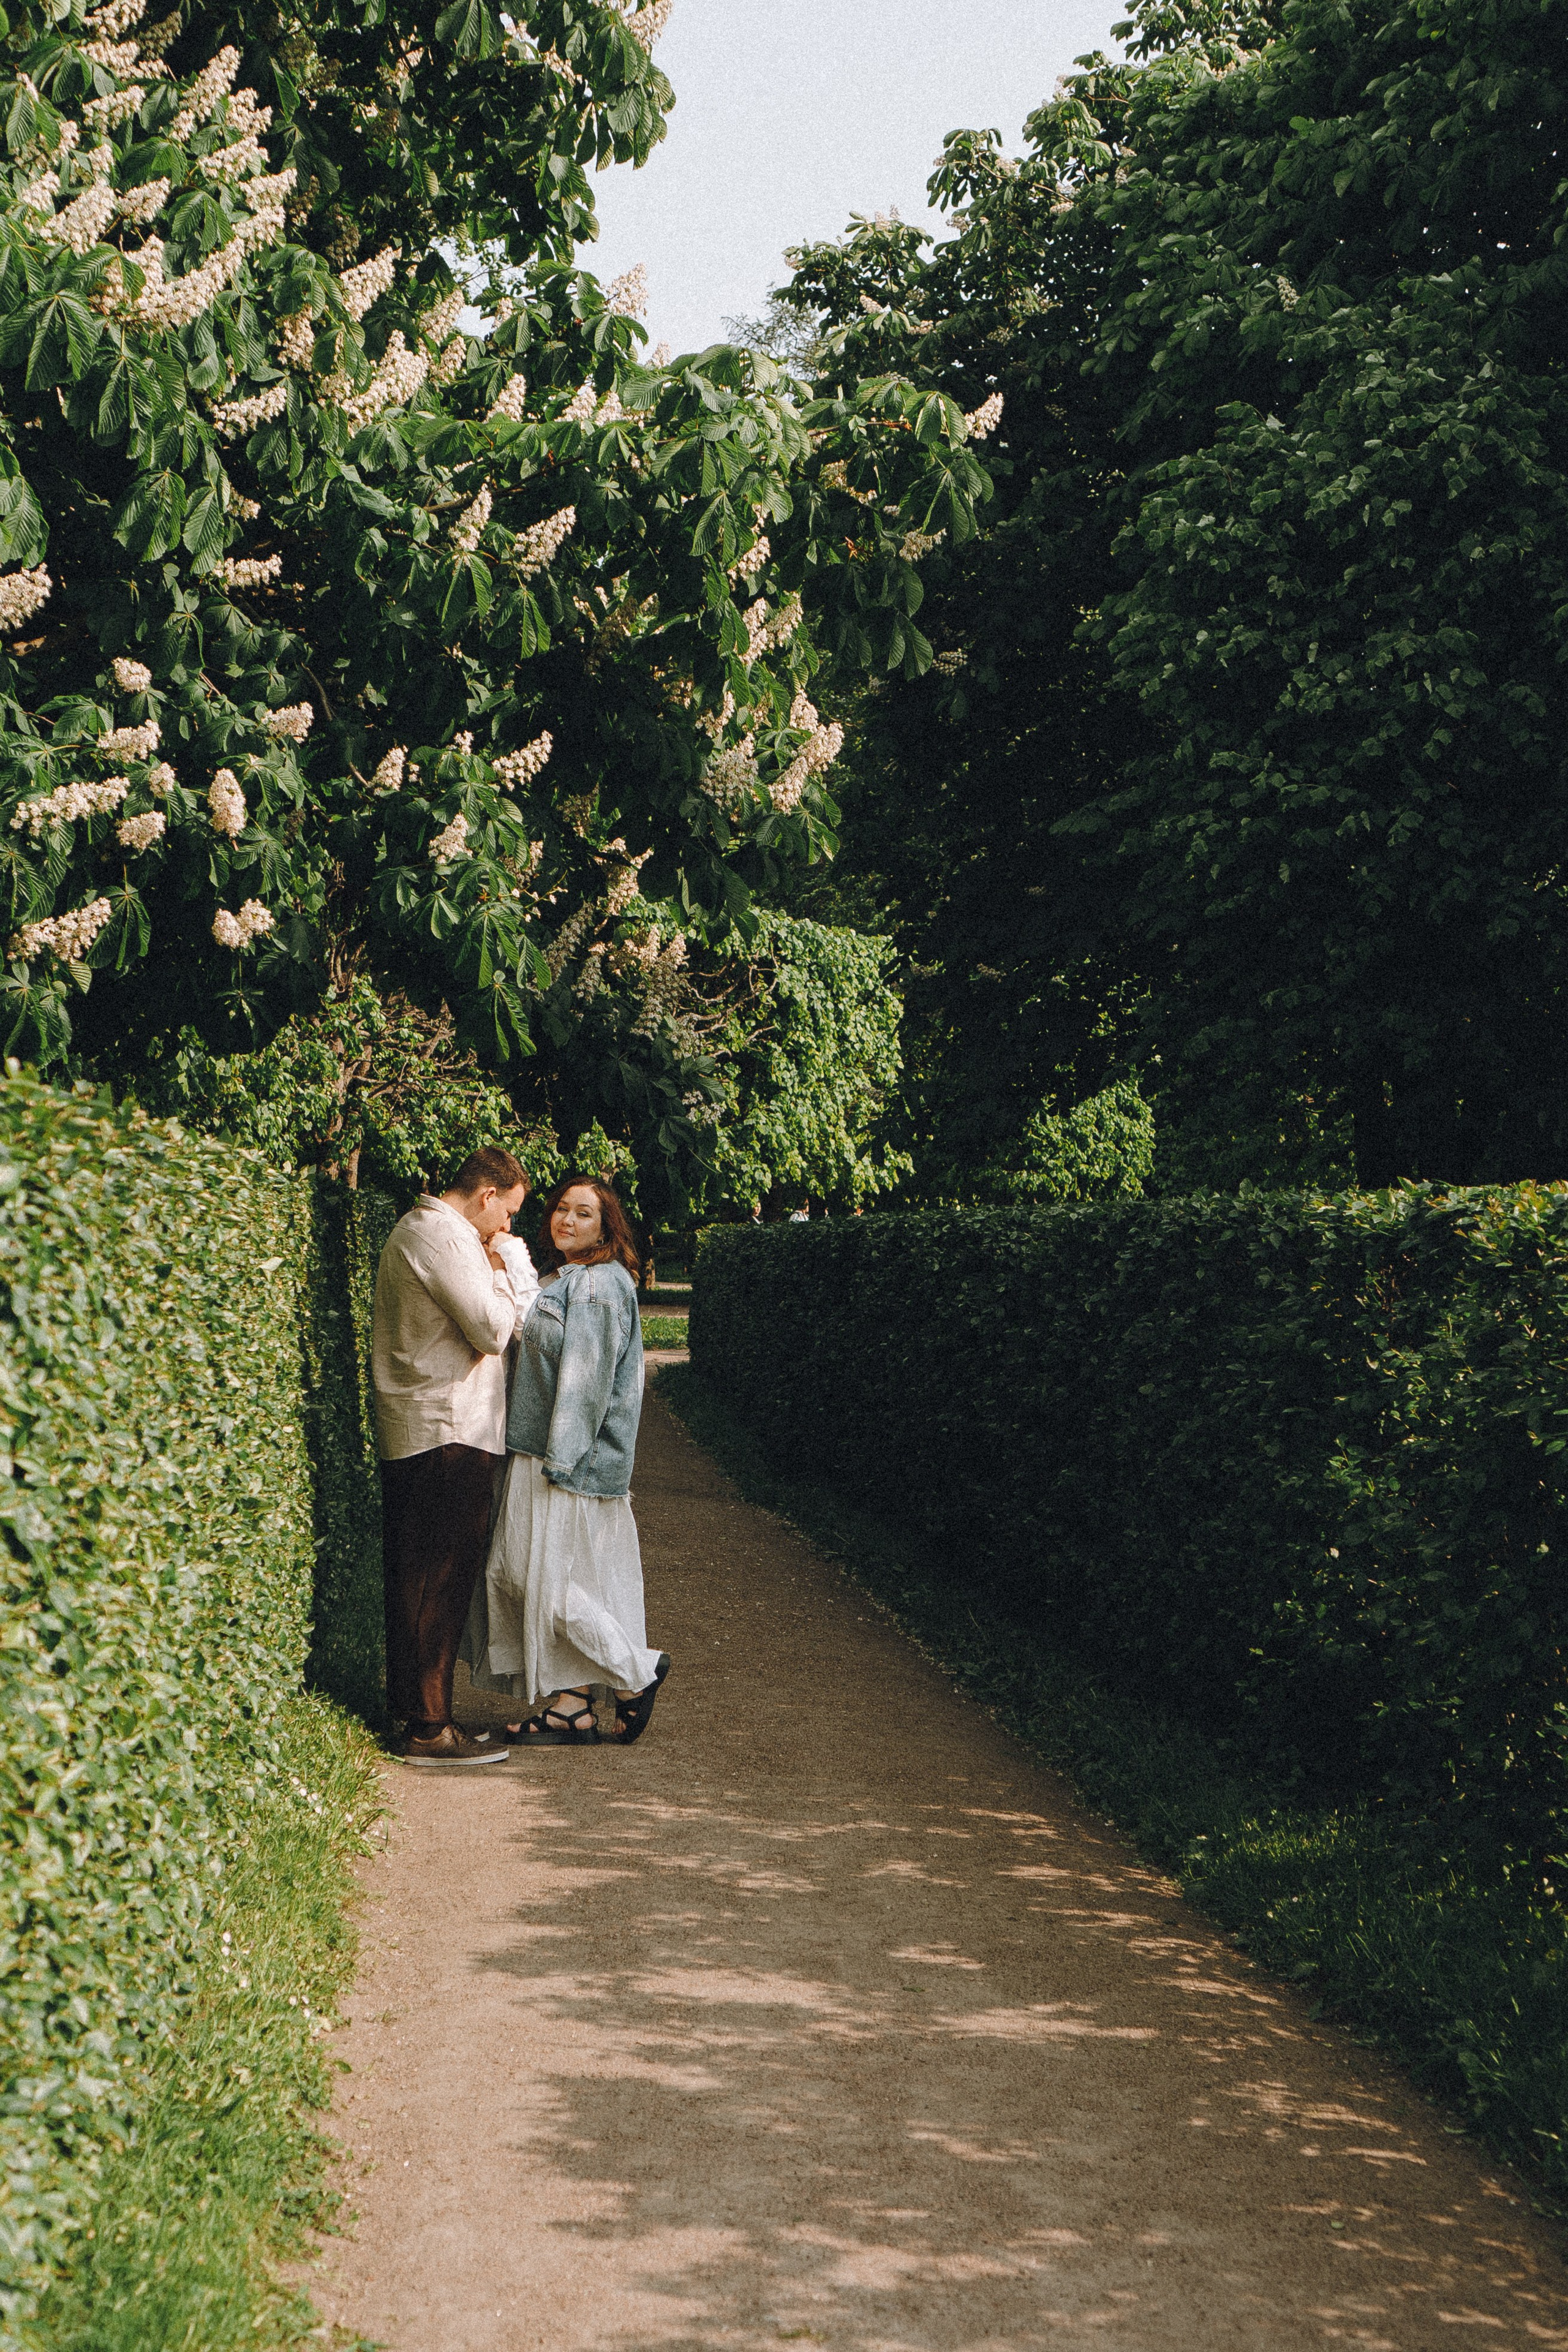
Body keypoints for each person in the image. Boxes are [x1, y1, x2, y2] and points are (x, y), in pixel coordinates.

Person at [462, 1174, 670, 1745]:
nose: (567, 1221)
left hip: (565, 1463)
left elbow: (587, 1384)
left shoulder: (601, 1287)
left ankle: (635, 1673)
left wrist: (564, 1462)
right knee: (521, 1574)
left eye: (583, 1214)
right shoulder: (568, 1279)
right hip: (536, 1453)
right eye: (561, 1210)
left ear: (607, 1227)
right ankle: (572, 1707)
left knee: (541, 1586)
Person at [372, 1145, 530, 1766]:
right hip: (445, 1431)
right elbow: (492, 1329)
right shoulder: (443, 1237)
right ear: (486, 1195)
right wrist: (499, 1272)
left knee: (425, 1576)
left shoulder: (431, 1233)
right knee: (436, 1581)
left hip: (440, 1428)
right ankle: (427, 1730)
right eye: (508, 1213)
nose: (507, 1229)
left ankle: (421, 1713)